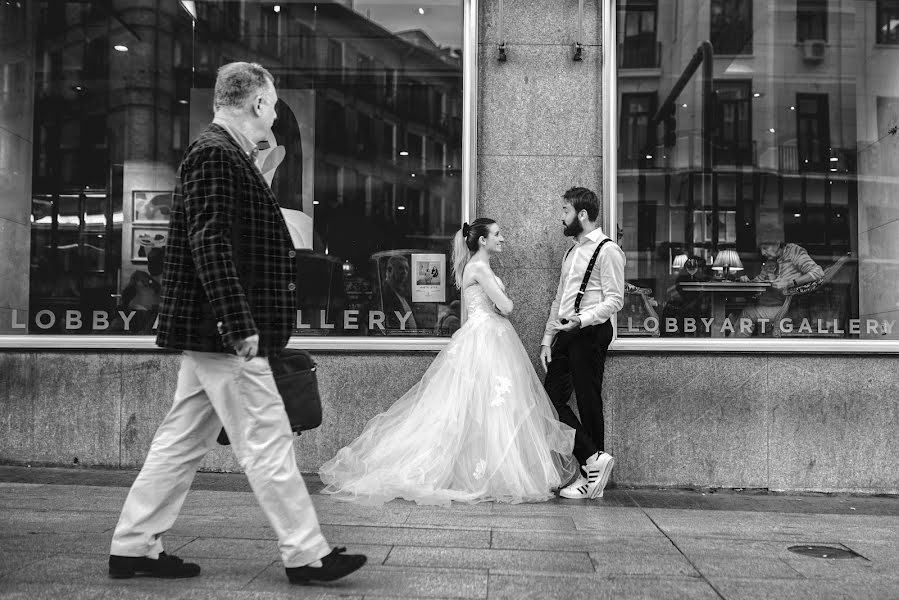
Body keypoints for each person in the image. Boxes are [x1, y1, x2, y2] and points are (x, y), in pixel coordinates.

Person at [107, 62, 366, 585]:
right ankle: (305, 553)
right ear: (258, 104)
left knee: (180, 440)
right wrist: (236, 320)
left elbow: (220, 239)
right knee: (268, 438)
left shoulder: (227, 155)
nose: (273, 113)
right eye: (271, 103)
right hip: (225, 333)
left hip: (214, 331)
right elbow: (210, 241)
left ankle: (133, 545)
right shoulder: (215, 155)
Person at [319, 218, 577, 505]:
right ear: (482, 240)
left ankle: (486, 468)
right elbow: (507, 307)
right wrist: (503, 299)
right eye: (497, 234)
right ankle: (488, 471)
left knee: (483, 404)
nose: (502, 238)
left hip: (485, 335)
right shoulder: (479, 268)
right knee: (488, 404)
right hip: (486, 336)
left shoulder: (480, 267)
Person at [540, 187, 625, 500]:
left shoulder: (607, 250)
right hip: (567, 332)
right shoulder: (571, 252)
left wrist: (583, 319)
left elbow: (615, 300)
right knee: (550, 400)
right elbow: (560, 298)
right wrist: (548, 339)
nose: (561, 217)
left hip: (590, 332)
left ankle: (593, 480)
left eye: (565, 210)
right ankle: (593, 458)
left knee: (589, 402)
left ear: (583, 214)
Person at [734, 240, 824, 337]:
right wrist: (748, 281)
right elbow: (759, 282)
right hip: (769, 304)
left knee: (747, 313)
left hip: (788, 308)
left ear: (777, 244)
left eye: (765, 248)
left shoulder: (793, 251)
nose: (762, 253)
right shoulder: (771, 261)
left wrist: (790, 283)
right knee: (740, 311)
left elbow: (818, 273)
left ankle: (732, 349)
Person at [381, 254, 418, 330]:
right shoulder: (383, 294)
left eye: (406, 269)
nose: (404, 272)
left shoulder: (402, 294)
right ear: (389, 270)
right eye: (400, 268)